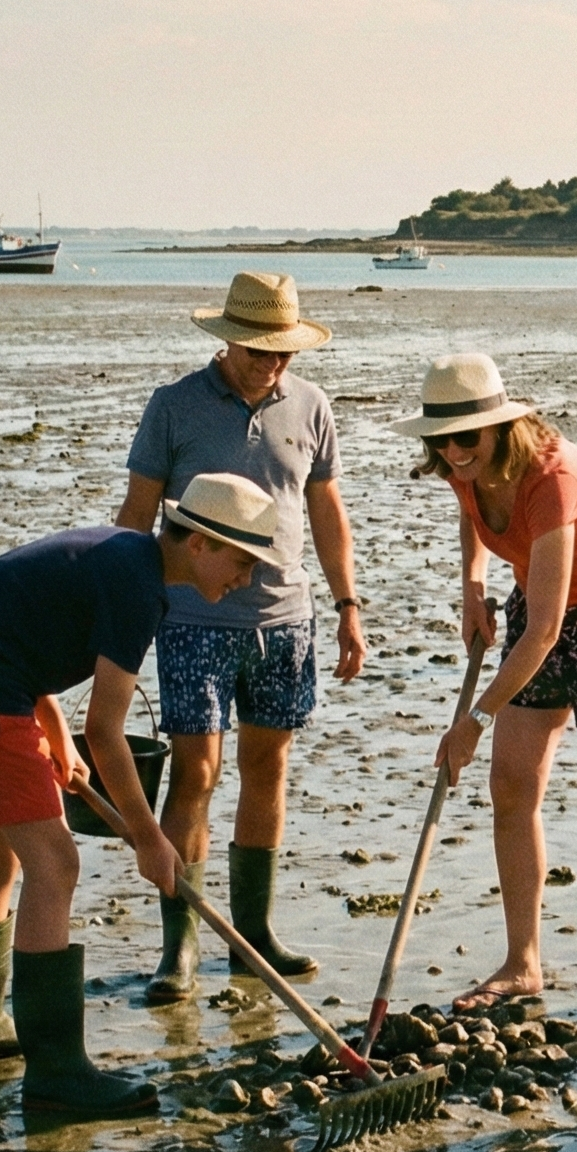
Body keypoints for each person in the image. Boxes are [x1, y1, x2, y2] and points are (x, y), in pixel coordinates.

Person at [0, 474, 281, 1111]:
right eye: (242, 562)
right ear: (197, 545)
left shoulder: (126, 557)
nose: (244, 580)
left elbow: (29, 627)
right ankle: (56, 1073)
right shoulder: (139, 589)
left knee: (1, 856)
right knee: (57, 863)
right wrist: (148, 836)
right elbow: (106, 733)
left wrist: (54, 736)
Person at [396, 354, 577, 1022]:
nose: (454, 452)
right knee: (511, 785)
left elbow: (547, 630)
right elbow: (473, 512)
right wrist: (471, 586)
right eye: (442, 440)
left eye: (468, 437)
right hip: (540, 604)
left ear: (501, 426)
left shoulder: (551, 476)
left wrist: (474, 715)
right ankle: (524, 961)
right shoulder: (461, 466)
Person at [115, 271, 367, 1003]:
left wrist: (348, 604)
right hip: (192, 620)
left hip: (286, 619)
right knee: (195, 773)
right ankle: (182, 944)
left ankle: (253, 933)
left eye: (282, 351)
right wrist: (117, 607)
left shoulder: (311, 406)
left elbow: (325, 511)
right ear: (226, 340)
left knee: (268, 768)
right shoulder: (174, 407)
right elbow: (136, 516)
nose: (271, 364)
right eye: (258, 350)